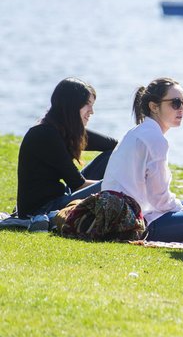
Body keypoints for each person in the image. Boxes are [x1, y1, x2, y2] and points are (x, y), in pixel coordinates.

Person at [100, 78, 183, 243]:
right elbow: (159, 199)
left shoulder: (139, 131)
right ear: (154, 106)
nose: (182, 108)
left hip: (119, 215)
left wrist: (180, 208)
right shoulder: (155, 139)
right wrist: (180, 209)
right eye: (175, 103)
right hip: (137, 224)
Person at [10, 78, 117, 232]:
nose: (91, 112)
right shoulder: (45, 134)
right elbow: (77, 183)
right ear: (72, 105)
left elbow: (115, 146)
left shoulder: (64, 129)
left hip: (61, 196)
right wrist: (116, 184)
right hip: (42, 210)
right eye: (88, 105)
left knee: (112, 155)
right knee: (110, 185)